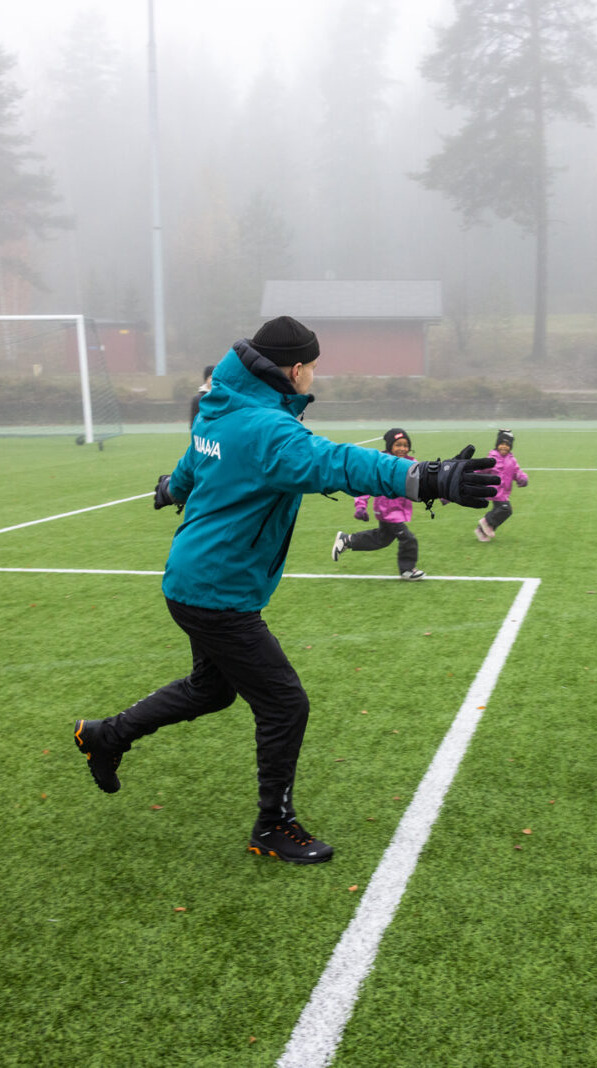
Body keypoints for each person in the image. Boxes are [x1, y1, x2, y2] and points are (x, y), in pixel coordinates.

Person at [73, 316, 498, 864]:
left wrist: (170, 489)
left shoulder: (221, 409)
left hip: (195, 580)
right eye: (312, 367)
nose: (312, 376)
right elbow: (337, 463)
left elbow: (191, 465)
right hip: (217, 593)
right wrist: (430, 478)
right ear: (295, 370)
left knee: (213, 689)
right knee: (284, 704)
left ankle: (106, 737)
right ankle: (273, 824)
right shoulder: (267, 430)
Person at [332, 427, 424, 580]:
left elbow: (424, 481)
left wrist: (441, 494)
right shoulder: (381, 463)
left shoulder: (411, 463)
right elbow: (366, 484)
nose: (402, 448)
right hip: (387, 511)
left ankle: (347, 540)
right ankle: (407, 570)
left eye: (405, 445)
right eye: (398, 445)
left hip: (398, 511)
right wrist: (360, 506)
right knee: (408, 539)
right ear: (390, 446)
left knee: (382, 539)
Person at [475, 429, 529, 542]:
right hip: (495, 490)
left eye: (507, 445)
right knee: (505, 509)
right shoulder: (492, 458)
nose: (504, 447)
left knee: (503, 511)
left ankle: (481, 531)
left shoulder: (512, 460)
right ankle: (486, 522)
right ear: (497, 445)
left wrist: (522, 478)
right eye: (501, 444)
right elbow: (481, 469)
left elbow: (516, 472)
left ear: (510, 447)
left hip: (504, 491)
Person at [187, 364, 215, 430]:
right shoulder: (197, 399)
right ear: (206, 379)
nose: (214, 380)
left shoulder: (223, 397)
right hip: (203, 435)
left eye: (216, 377)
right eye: (211, 377)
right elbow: (193, 423)